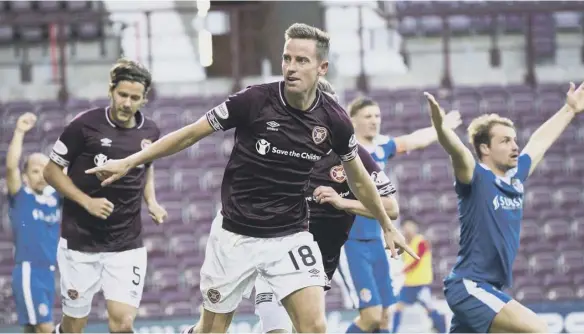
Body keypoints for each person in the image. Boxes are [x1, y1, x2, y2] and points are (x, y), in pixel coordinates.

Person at [85, 23, 416, 334]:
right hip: (236, 234)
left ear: (321, 68)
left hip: (289, 235)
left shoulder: (335, 122)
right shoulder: (255, 100)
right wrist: (131, 160)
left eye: (302, 60)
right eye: (287, 58)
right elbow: (190, 134)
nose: (291, 67)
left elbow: (359, 179)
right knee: (211, 330)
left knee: (315, 327)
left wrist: (387, 224)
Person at [425, 77, 584, 333]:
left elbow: (539, 142)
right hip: (470, 285)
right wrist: (442, 130)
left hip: (487, 287)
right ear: (485, 148)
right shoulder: (476, 177)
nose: (515, 146)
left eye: (514, 139)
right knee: (540, 330)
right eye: (505, 141)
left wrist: (569, 109)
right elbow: (458, 152)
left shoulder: (516, 177)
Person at [252, 78, 400, 334]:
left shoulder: (351, 155)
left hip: (319, 263)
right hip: (277, 255)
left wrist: (343, 202)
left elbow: (391, 207)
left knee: (321, 327)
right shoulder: (278, 148)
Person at [43, 58, 167, 333]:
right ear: (111, 91)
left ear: (144, 100)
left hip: (126, 244)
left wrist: (152, 201)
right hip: (80, 243)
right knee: (74, 327)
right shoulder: (84, 126)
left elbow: (145, 167)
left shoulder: (151, 131)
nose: (127, 103)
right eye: (122, 95)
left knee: (123, 325)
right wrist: (87, 201)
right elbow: (50, 172)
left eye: (135, 98)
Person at [341, 97, 462, 333]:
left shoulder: (382, 147)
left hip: (377, 239)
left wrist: (440, 127)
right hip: (349, 242)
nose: (374, 121)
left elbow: (415, 140)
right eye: (368, 116)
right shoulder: (343, 150)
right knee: (371, 317)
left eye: (377, 116)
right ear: (352, 120)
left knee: (387, 315)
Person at [7, 112, 61, 333]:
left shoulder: (55, 198)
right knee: (45, 328)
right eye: (34, 171)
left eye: (44, 170)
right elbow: (11, 168)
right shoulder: (22, 197)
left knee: (32, 330)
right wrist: (20, 131)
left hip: (48, 272)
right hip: (30, 271)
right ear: (26, 176)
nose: (40, 175)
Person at [392, 219, 446, 333]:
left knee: (429, 308)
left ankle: (442, 329)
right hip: (410, 283)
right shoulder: (405, 243)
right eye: (405, 227)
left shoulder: (421, 242)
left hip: (421, 283)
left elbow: (416, 260)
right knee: (399, 308)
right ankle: (393, 331)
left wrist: (402, 270)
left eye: (410, 226)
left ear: (415, 227)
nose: (408, 229)